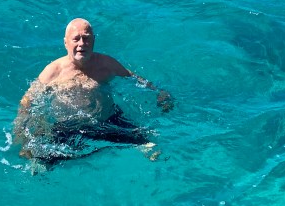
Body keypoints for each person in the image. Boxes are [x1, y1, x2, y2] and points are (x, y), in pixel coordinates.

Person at [14, 18, 173, 164]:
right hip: (68, 128)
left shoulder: (106, 64)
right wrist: (22, 134)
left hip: (109, 122)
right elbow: (27, 101)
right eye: (76, 39)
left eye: (86, 38)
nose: (82, 43)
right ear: (66, 42)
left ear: (93, 40)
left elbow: (135, 79)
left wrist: (160, 93)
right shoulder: (53, 72)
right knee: (38, 161)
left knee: (151, 146)